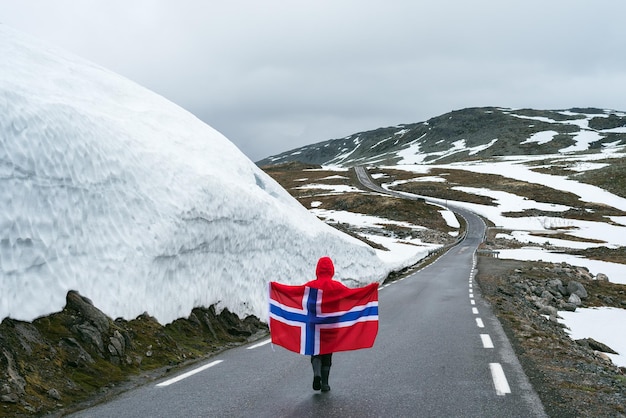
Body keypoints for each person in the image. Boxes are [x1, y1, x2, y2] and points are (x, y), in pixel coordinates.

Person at [304, 256, 349, 392]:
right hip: (331, 326)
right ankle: (325, 383)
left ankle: (316, 374)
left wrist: (276, 288)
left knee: (316, 352)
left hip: (314, 325)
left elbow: (296, 294)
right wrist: (369, 289)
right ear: (331, 270)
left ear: (317, 270)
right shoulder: (337, 286)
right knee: (327, 353)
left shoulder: (310, 286)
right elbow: (351, 295)